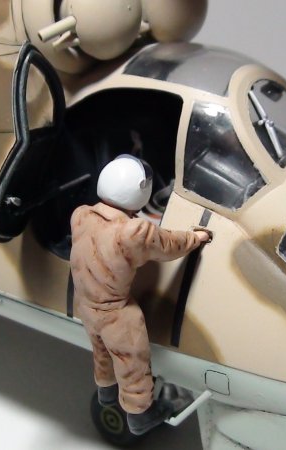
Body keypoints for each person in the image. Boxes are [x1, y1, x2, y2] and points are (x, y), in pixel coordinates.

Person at [69, 155, 210, 435]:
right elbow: (168, 245)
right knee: (131, 361)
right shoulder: (133, 231)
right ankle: (139, 414)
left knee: (101, 351)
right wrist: (196, 238)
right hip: (115, 312)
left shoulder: (81, 215)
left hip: (84, 304)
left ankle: (106, 391)